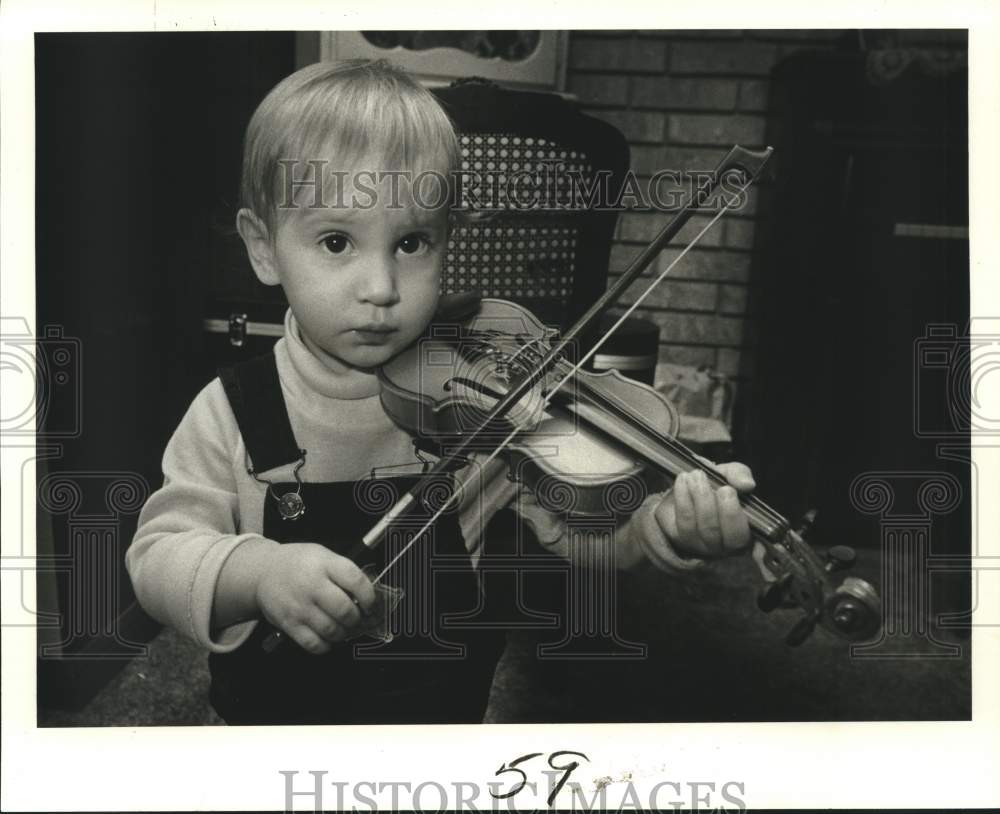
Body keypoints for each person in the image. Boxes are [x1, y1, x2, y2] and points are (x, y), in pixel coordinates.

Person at [126, 58, 758, 725]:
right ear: (263, 248)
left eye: (411, 242)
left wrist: (660, 526)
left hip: (441, 724)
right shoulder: (231, 410)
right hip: (276, 734)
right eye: (337, 241)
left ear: (447, 240)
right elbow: (158, 557)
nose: (380, 287)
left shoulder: (482, 402)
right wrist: (256, 574)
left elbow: (585, 530)